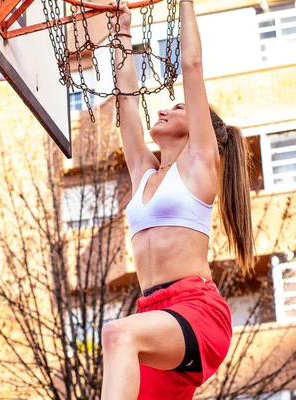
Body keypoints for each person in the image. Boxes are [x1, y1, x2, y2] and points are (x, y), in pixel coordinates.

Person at [101, 1, 255, 399]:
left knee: (117, 335)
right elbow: (127, 100)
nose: (167, 108)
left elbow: (192, 66)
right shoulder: (143, 173)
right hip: (154, 314)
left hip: (195, 310)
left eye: (180, 106)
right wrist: (120, 30)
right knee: (123, 342)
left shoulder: (200, 165)